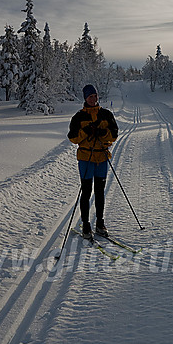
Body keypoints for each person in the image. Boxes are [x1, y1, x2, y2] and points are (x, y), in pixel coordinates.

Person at [68, 84, 119, 238]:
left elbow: (114, 135)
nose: (93, 99)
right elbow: (73, 138)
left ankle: (100, 223)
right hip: (86, 158)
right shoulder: (78, 117)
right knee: (86, 191)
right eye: (90, 96)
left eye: (95, 96)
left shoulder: (106, 114)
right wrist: (86, 132)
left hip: (102, 158)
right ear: (85, 98)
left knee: (99, 192)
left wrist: (103, 133)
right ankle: (86, 225)